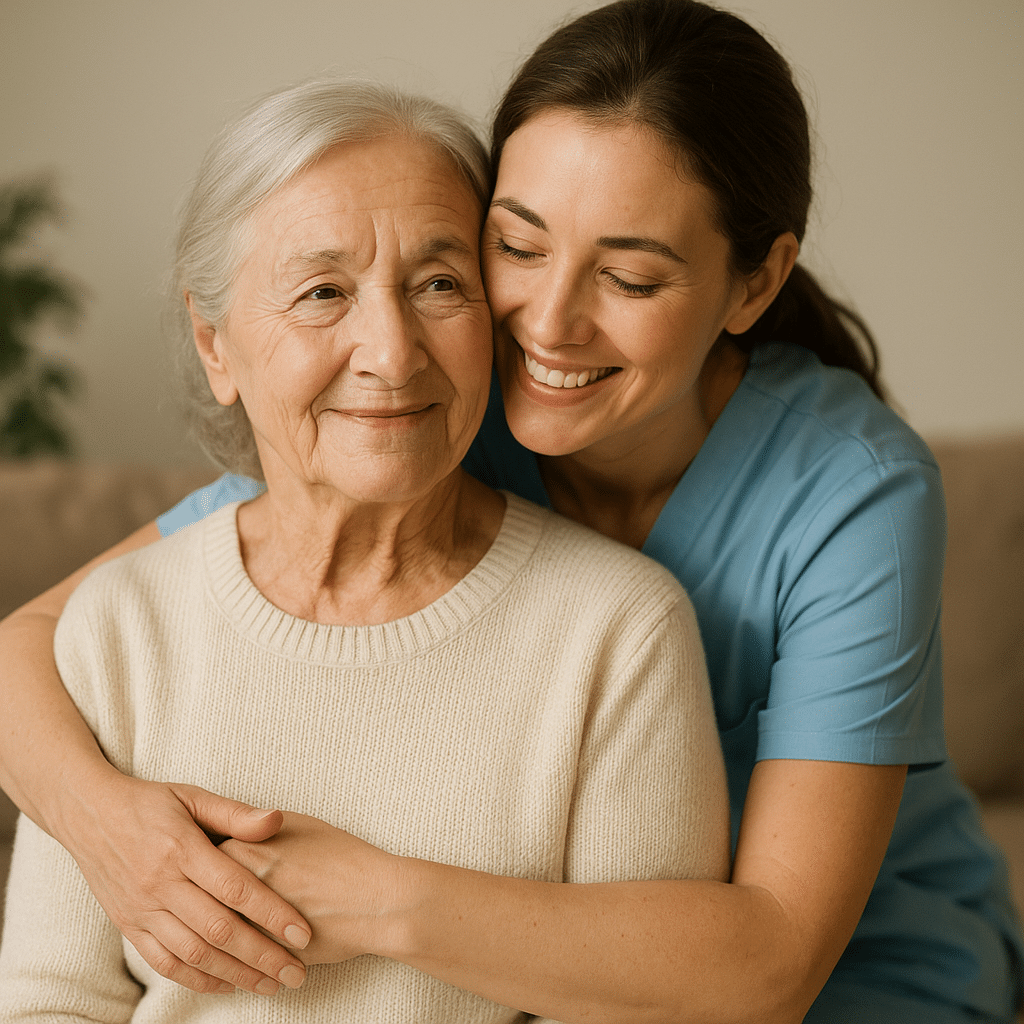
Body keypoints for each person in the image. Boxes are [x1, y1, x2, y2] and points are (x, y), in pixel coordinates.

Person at [0, 0, 1021, 1021]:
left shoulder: (849, 496)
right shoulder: (434, 410)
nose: (548, 325)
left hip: (858, 979)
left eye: (628, 275)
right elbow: (34, 645)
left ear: (753, 283)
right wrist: (108, 826)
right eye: (516, 248)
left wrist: (367, 896)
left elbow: (770, 965)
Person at [0, 78, 731, 1021]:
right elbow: (49, 1003)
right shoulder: (119, 626)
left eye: (438, 285)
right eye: (322, 292)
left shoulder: (619, 630)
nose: (391, 350)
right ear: (214, 344)